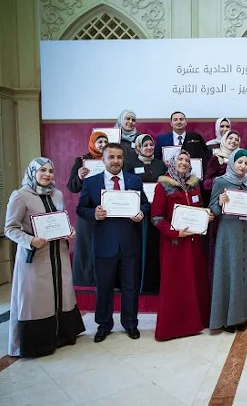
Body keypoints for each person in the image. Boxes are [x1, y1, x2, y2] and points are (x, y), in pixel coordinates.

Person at [5, 157, 85, 357]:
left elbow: (59, 220)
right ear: (32, 172)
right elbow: (10, 228)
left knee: (61, 294)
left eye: (50, 171)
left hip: (58, 255)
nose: (47, 174)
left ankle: (62, 336)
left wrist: (70, 230)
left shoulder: (56, 194)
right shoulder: (20, 196)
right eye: (42, 170)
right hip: (36, 257)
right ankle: (38, 344)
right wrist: (30, 241)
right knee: (37, 300)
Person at [76, 143, 150, 343]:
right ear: (103, 159)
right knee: (104, 287)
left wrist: (141, 212)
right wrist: (94, 213)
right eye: (112, 157)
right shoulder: (91, 183)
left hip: (130, 243)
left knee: (130, 286)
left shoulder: (134, 180)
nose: (116, 161)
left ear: (123, 159)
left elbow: (145, 203)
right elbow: (81, 209)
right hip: (103, 244)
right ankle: (104, 324)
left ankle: (130, 323)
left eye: (119, 157)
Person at [151, 151, 213, 341]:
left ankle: (196, 323)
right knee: (176, 285)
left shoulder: (194, 184)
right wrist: (175, 232)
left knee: (195, 283)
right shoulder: (163, 185)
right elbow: (156, 217)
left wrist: (206, 216)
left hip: (194, 245)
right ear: (172, 162)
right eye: (180, 159)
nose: (184, 163)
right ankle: (173, 328)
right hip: (175, 245)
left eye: (187, 160)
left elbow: (200, 208)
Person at [209, 149, 247, 332]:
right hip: (229, 234)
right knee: (230, 273)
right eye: (239, 162)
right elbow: (213, 210)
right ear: (232, 163)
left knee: (246, 272)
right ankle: (228, 318)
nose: (243, 166)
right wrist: (220, 202)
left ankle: (244, 315)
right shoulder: (221, 182)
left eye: (246, 163)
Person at [124, 134, 167, 293]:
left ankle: (154, 283)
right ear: (138, 147)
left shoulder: (159, 165)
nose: (149, 148)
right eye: (145, 145)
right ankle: (139, 284)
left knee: (154, 248)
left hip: (157, 212)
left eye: (151, 145)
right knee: (139, 249)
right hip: (139, 213)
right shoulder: (130, 164)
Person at [67, 130, 109, 287]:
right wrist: (79, 176)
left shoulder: (111, 160)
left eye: (105, 142)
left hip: (108, 210)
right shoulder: (82, 161)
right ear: (93, 143)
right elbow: (72, 186)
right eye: (100, 142)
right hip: (88, 212)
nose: (103, 145)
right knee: (86, 246)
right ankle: (86, 280)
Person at [203, 130, 241, 285]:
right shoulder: (215, 159)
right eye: (230, 138)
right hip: (220, 214)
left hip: (237, 212)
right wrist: (224, 179)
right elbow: (206, 184)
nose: (233, 141)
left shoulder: (242, 159)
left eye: (236, 139)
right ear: (224, 140)